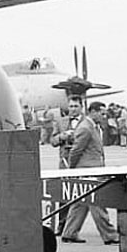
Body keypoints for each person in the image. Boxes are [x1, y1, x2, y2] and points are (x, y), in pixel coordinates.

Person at [60, 101, 120, 245]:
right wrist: (72, 169)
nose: (104, 116)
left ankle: (69, 233)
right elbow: (76, 150)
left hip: (92, 169)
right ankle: (110, 235)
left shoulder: (92, 127)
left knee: (80, 203)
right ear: (93, 111)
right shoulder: (86, 128)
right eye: (102, 113)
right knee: (97, 202)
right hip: (89, 170)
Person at [50, 97, 83, 234]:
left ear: (81, 107)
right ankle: (62, 225)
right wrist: (62, 137)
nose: (73, 109)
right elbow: (52, 141)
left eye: (76, 106)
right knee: (64, 194)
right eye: (71, 106)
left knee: (82, 194)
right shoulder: (61, 122)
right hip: (65, 163)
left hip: (81, 162)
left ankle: (73, 228)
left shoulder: (87, 122)